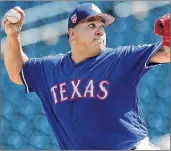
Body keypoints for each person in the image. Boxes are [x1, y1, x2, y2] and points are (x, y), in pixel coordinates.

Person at [3, 3, 170, 150]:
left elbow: (166, 53)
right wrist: (13, 36)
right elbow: (17, 71)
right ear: (72, 34)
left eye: (102, 26)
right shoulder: (50, 69)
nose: (99, 30)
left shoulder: (120, 58)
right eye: (91, 25)